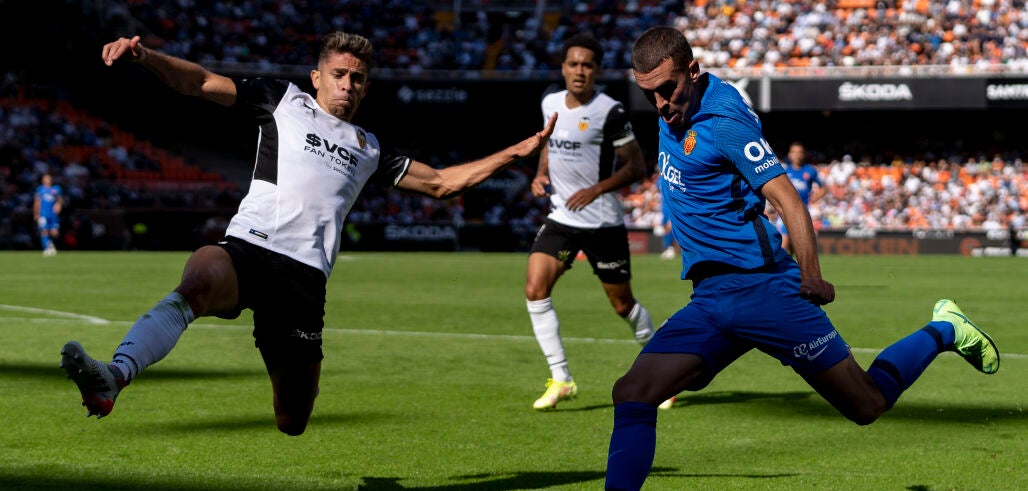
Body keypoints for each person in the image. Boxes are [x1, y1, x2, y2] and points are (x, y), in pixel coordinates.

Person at [530, 26, 1000, 491]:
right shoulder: (677, 107)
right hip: (712, 298)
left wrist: (811, 274)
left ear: (692, 72)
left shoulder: (725, 122)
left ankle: (944, 329)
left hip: (766, 291)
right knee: (633, 391)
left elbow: (789, 201)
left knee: (866, 404)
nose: (660, 104)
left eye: (667, 90)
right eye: (648, 94)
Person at [60, 32, 555, 435]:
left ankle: (287, 379)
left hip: (302, 281)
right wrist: (146, 56)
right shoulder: (281, 99)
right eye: (339, 74)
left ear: (366, 88)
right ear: (317, 77)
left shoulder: (369, 148)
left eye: (357, 79)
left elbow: (443, 183)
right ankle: (115, 375)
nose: (348, 85)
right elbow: (201, 82)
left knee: (292, 419)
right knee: (199, 278)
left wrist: (516, 152)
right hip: (248, 247)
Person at [525, 33, 657, 410]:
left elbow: (636, 167)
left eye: (587, 65)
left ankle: (663, 371)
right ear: (563, 68)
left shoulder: (609, 111)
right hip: (562, 217)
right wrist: (540, 173)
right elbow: (548, 142)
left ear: (597, 70)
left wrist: (596, 190)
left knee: (622, 305)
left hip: (601, 222)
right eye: (573, 64)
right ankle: (561, 379)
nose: (580, 71)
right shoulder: (550, 102)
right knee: (535, 289)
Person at [773, 141, 824, 255]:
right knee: (784, 245)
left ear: (804, 154)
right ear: (789, 154)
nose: (797, 155)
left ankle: (790, 265)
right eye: (794, 152)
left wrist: (816, 197)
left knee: (794, 249)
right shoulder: (784, 170)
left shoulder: (810, 170)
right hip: (786, 212)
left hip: (802, 213)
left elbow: (823, 188)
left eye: (799, 152)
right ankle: (784, 266)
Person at [33, 172, 63, 256]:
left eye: (48, 178)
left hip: (53, 214)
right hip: (43, 213)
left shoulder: (56, 189)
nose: (47, 180)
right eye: (45, 178)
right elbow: (37, 202)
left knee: (54, 232)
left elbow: (60, 199)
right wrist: (36, 213)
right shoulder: (40, 189)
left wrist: (59, 204)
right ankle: (46, 248)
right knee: (44, 230)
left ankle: (50, 244)